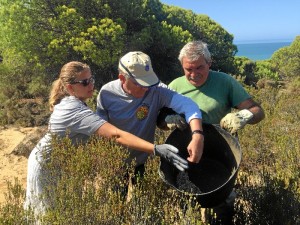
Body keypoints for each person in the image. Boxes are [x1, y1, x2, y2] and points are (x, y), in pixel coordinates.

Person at [24, 61, 189, 222]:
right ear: (69, 87)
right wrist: (156, 149)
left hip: (61, 163)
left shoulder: (77, 102)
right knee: (49, 214)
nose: (91, 85)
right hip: (47, 164)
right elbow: (115, 135)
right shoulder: (72, 108)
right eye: (85, 82)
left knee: (62, 211)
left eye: (91, 79)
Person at [157, 40, 265, 225]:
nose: (193, 74)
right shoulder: (175, 85)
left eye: (199, 67)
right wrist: (168, 122)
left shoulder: (224, 82)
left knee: (223, 203)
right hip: (186, 151)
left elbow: (258, 111)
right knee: (187, 202)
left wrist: (243, 116)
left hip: (222, 152)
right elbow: (160, 120)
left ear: (209, 62)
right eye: (188, 69)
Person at [96, 51, 204, 197]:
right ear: (122, 78)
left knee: (141, 202)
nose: (146, 88)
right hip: (115, 162)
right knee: (116, 201)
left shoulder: (156, 90)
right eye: (139, 83)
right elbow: (101, 128)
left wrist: (197, 136)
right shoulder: (106, 93)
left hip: (142, 160)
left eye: (148, 81)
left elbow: (188, 105)